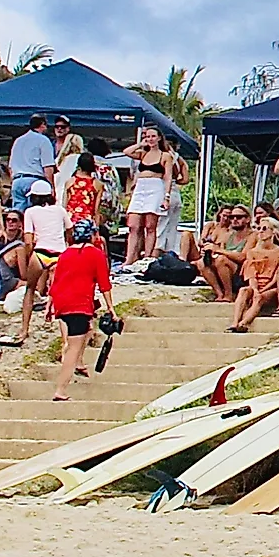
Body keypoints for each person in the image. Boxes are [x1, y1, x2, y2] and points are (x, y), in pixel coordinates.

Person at [45, 221, 113, 398]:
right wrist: (111, 308)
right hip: (79, 303)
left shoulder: (66, 254)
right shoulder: (95, 254)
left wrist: (49, 305)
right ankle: (61, 388)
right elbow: (104, 284)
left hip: (62, 301)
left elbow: (56, 280)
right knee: (73, 347)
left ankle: (78, 363)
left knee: (86, 330)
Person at [15, 180, 68, 342]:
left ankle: (24, 330)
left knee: (30, 290)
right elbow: (70, 230)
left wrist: (31, 255)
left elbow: (29, 240)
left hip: (41, 252)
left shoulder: (30, 212)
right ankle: (65, 336)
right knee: (63, 294)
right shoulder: (60, 210)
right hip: (60, 253)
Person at [124, 126, 175, 262]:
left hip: (155, 187)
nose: (150, 139)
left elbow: (168, 177)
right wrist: (141, 144)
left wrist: (166, 197)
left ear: (159, 138)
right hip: (141, 188)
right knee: (133, 225)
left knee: (150, 226)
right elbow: (127, 152)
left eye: (153, 136)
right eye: (148, 136)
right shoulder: (142, 153)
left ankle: (147, 257)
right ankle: (129, 258)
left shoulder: (165, 156)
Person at [229, 223, 279, 332]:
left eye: (264, 228)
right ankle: (235, 322)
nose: (260, 231)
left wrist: (261, 290)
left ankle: (244, 323)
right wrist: (255, 289)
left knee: (259, 297)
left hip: (271, 287)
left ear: (273, 231)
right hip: (256, 284)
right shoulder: (252, 252)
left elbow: (277, 276)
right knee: (243, 291)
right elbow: (251, 275)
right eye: (259, 228)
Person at [199, 204, 249, 302]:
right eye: (232, 217)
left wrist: (218, 250)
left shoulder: (252, 235)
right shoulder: (228, 235)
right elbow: (218, 248)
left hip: (242, 270)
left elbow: (242, 257)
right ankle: (219, 294)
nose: (234, 219)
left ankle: (228, 294)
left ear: (247, 219)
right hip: (226, 268)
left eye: (238, 217)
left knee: (221, 259)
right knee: (202, 263)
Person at [8, 114, 57, 210]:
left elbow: (10, 167)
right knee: (35, 213)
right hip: (34, 181)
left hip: (17, 181)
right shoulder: (43, 140)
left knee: (18, 214)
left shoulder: (18, 140)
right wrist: (51, 187)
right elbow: (48, 167)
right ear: (42, 124)